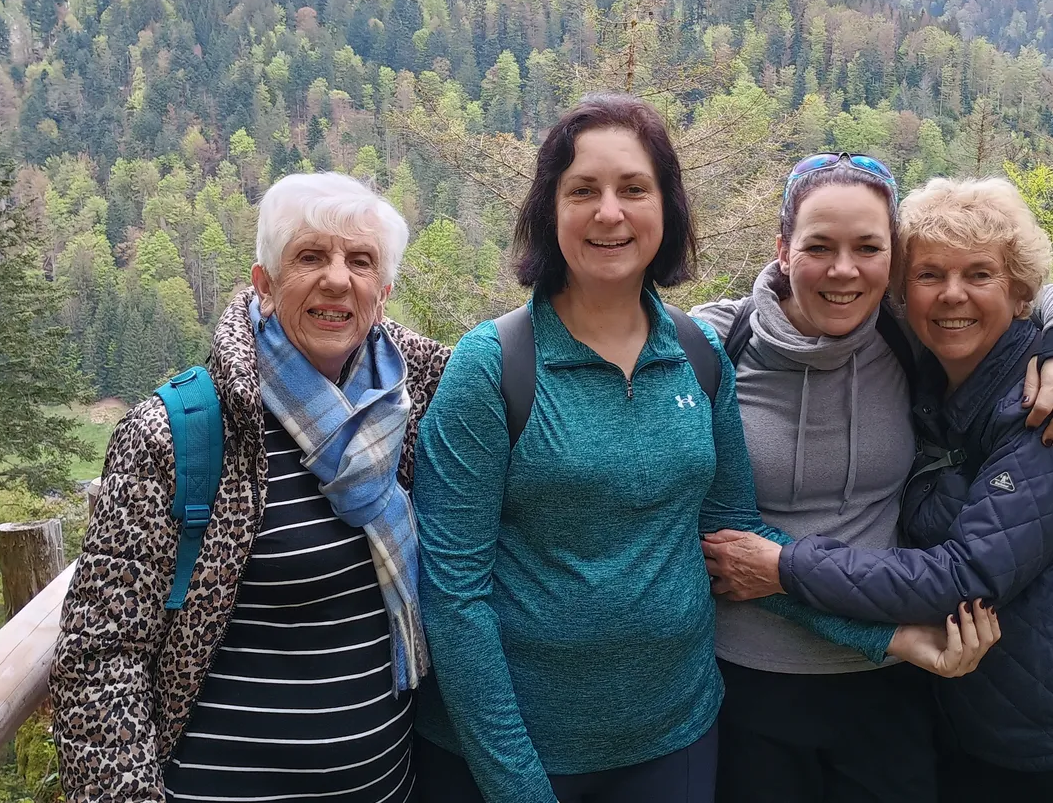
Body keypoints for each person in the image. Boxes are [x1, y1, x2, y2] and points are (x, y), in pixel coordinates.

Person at [411, 95, 999, 803]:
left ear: (668, 209)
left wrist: (890, 640)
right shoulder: (493, 366)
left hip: (677, 740)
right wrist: (516, 786)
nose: (609, 213)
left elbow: (737, 544)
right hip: (520, 753)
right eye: (582, 191)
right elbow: (454, 594)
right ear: (549, 210)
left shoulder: (697, 355)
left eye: (634, 189)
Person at [703, 176, 1053, 803]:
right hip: (977, 709)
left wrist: (784, 566)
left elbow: (964, 574)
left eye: (980, 274)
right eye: (929, 274)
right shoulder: (935, 385)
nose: (952, 295)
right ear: (902, 290)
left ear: (1019, 291)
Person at [50, 172, 452, 803]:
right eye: (310, 256)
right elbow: (99, 658)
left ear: (384, 290)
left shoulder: (410, 409)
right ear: (264, 283)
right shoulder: (179, 434)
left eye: (361, 261)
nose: (338, 279)